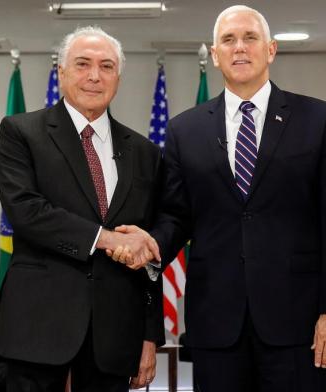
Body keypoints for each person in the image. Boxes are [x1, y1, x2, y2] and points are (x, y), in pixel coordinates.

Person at [112, 5, 326, 391]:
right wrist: (152, 241)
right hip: (216, 325)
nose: (239, 48)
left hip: (298, 323)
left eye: (250, 38)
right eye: (228, 40)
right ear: (214, 54)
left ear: (271, 50)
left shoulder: (317, 120)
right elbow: (177, 215)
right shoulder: (184, 130)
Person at [0, 26, 165, 392]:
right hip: (38, 328)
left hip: (115, 334)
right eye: (83, 64)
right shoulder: (21, 132)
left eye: (106, 66)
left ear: (118, 76)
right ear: (62, 72)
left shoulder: (145, 152)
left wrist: (149, 335)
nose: (94, 76)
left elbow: (146, 248)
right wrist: (104, 240)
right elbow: (26, 211)